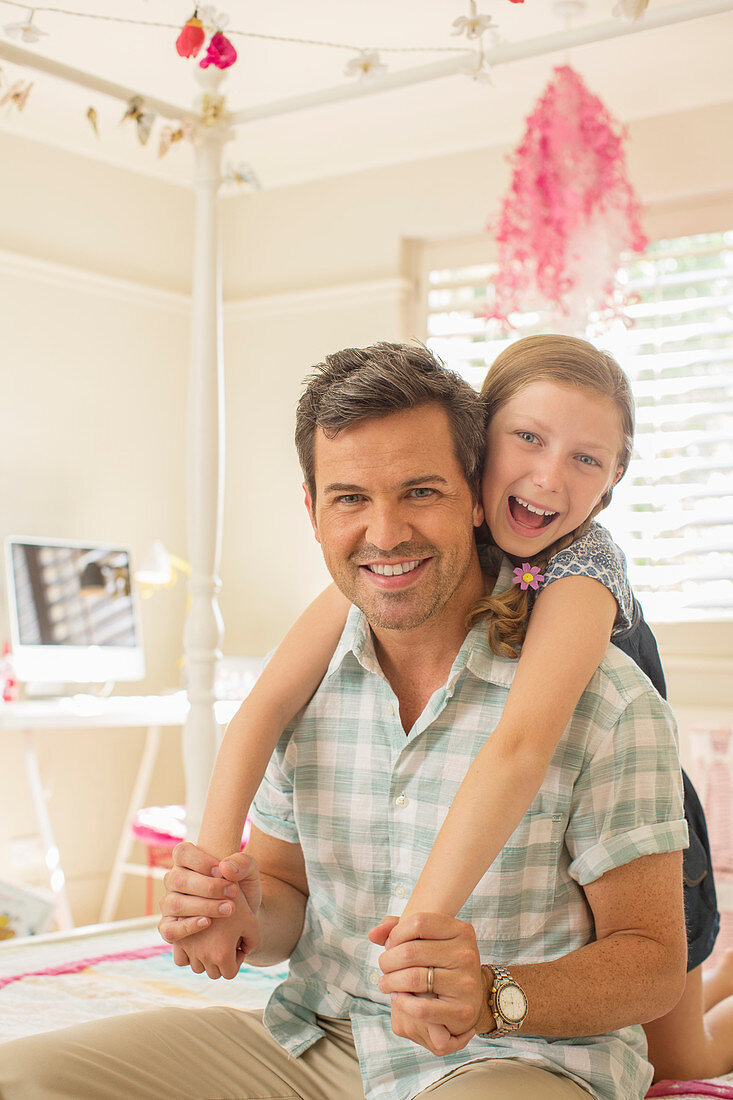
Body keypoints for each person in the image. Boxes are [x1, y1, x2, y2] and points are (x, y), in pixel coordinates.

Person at [0, 341, 688, 1100]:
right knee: (22, 1076)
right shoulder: (313, 679)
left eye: (420, 491)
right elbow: (289, 893)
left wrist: (494, 994)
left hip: (508, 1061)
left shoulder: (604, 692)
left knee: (684, 1049)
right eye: (351, 498)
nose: (385, 533)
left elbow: (651, 960)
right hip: (313, 1043)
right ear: (313, 510)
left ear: (471, 493)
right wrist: (241, 912)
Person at [167, 335, 724, 1076]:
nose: (547, 476)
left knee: (685, 1060)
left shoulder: (581, 578)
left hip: (634, 798)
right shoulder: (381, 581)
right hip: (344, 1024)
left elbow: (522, 743)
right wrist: (210, 877)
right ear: (483, 450)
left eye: (585, 459)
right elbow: (262, 708)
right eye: (526, 439)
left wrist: (419, 938)